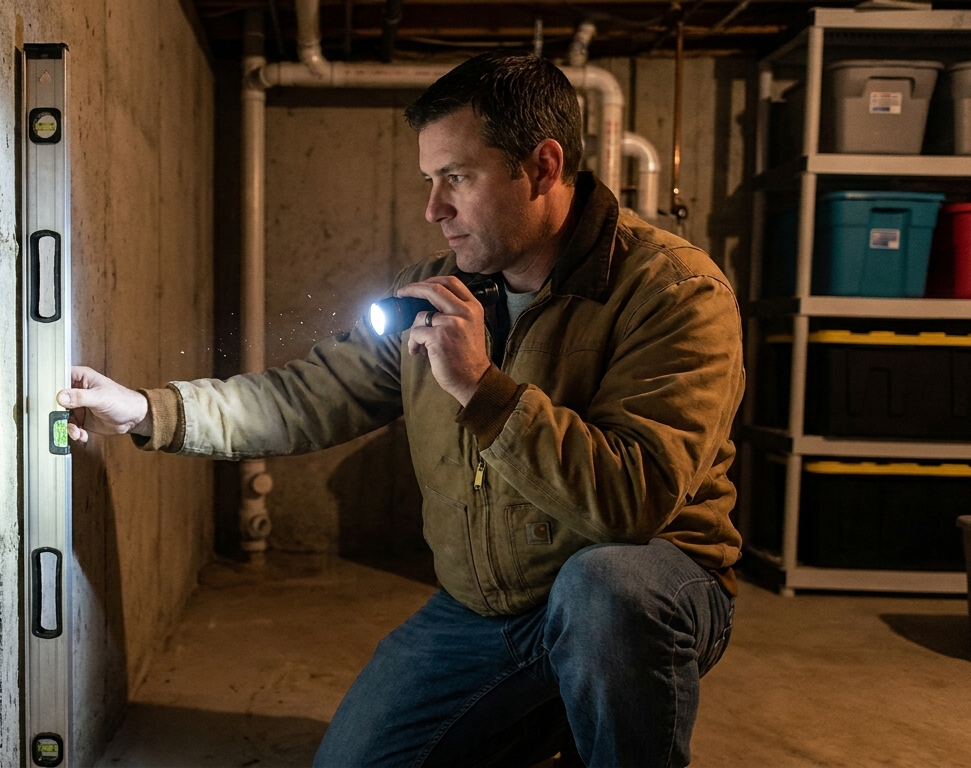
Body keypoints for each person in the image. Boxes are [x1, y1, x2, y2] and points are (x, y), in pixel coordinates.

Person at [57, 52, 744, 768]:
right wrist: (144, 410)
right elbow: (310, 397)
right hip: (489, 607)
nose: (433, 209)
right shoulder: (437, 294)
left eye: (458, 178)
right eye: (428, 181)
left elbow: (633, 499)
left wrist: (481, 386)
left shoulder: (672, 292)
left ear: (542, 167)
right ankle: (542, 716)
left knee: (604, 589)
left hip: (643, 593)